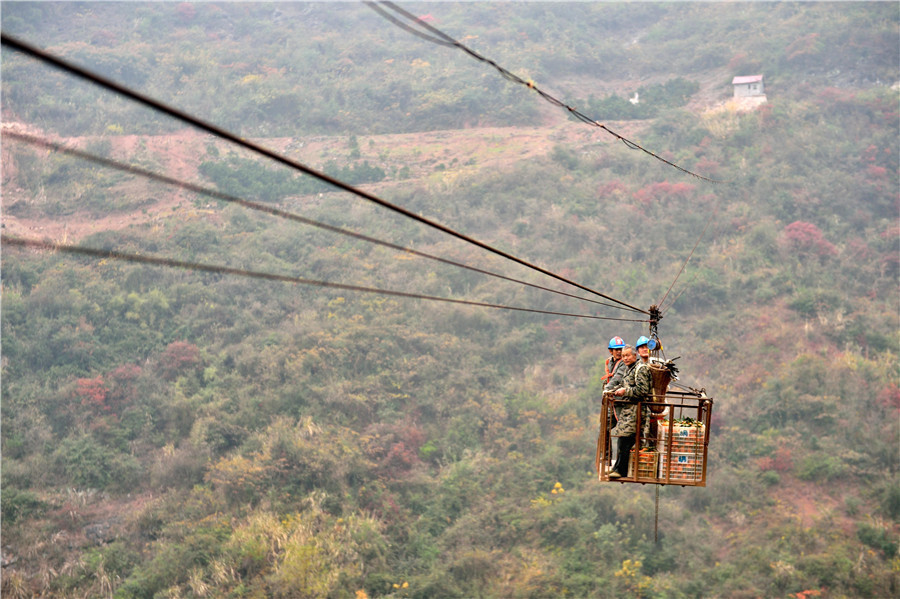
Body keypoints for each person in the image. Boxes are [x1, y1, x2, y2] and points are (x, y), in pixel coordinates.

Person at [608, 341, 653, 479]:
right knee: (622, 439)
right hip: (628, 411)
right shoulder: (629, 369)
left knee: (626, 440)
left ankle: (621, 470)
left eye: (628, 355)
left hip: (636, 411)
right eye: (623, 356)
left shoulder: (641, 369)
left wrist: (625, 391)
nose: (625, 358)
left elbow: (642, 390)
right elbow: (623, 384)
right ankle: (617, 468)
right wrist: (614, 391)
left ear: (635, 355)